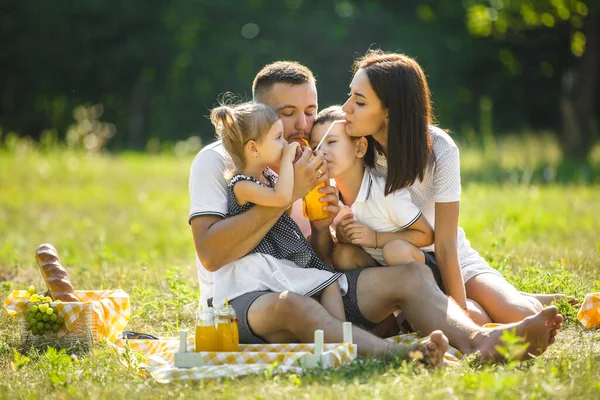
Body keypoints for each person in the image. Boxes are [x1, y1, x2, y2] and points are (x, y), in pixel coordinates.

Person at [189, 60, 562, 364]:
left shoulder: (310, 160)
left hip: (319, 287)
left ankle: (480, 341)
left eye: (310, 111)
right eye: (287, 114)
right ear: (257, 116)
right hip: (250, 300)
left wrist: (322, 229)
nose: (303, 126)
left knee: (411, 277)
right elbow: (210, 254)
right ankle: (398, 351)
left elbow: (320, 261)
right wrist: (290, 196)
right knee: (296, 307)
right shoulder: (218, 162)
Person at [340, 49, 572, 325]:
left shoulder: (439, 149)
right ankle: (493, 299)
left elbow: (446, 244)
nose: (346, 108)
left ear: (390, 111)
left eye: (360, 101)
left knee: (521, 315)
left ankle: (511, 297)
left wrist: (460, 315)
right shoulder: (353, 146)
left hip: (447, 257)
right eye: (350, 95)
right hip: (395, 262)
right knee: (478, 316)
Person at [209, 101, 346, 321]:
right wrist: (289, 161)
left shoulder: (268, 177)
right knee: (325, 284)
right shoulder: (242, 184)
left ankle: (339, 336)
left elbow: (284, 210)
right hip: (261, 265)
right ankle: (340, 338)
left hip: (276, 257)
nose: (285, 143)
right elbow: (282, 198)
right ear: (253, 148)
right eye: (278, 138)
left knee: (328, 282)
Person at [310, 106, 439, 273]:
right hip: (382, 270)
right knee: (343, 254)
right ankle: (387, 296)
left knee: (395, 251)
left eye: (332, 142)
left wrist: (376, 239)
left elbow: (427, 235)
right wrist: (343, 236)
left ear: (360, 148)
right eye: (316, 146)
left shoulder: (385, 194)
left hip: (422, 268)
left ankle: (422, 295)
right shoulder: (328, 195)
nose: (322, 152)